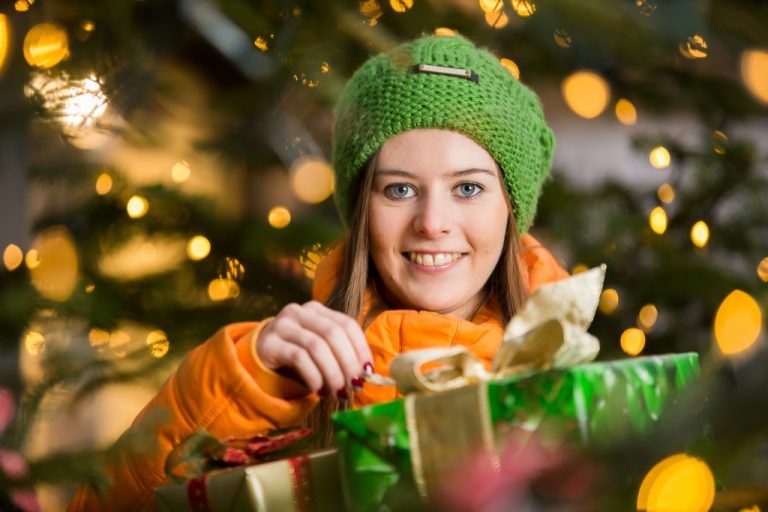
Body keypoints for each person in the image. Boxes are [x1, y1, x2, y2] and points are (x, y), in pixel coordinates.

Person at [68, 33, 569, 511]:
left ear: (511, 208)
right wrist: (240, 386)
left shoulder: (573, 396)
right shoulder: (268, 374)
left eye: (468, 188)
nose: (432, 223)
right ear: (361, 208)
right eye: (399, 189)